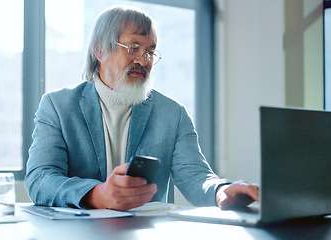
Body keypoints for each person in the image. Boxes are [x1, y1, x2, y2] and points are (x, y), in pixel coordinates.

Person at [24, 6, 259, 211]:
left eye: (150, 51)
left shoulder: (173, 113)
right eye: (134, 47)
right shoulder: (57, 106)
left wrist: (221, 191)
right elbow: (40, 179)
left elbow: (196, 176)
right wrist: (98, 194)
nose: (143, 60)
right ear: (99, 50)